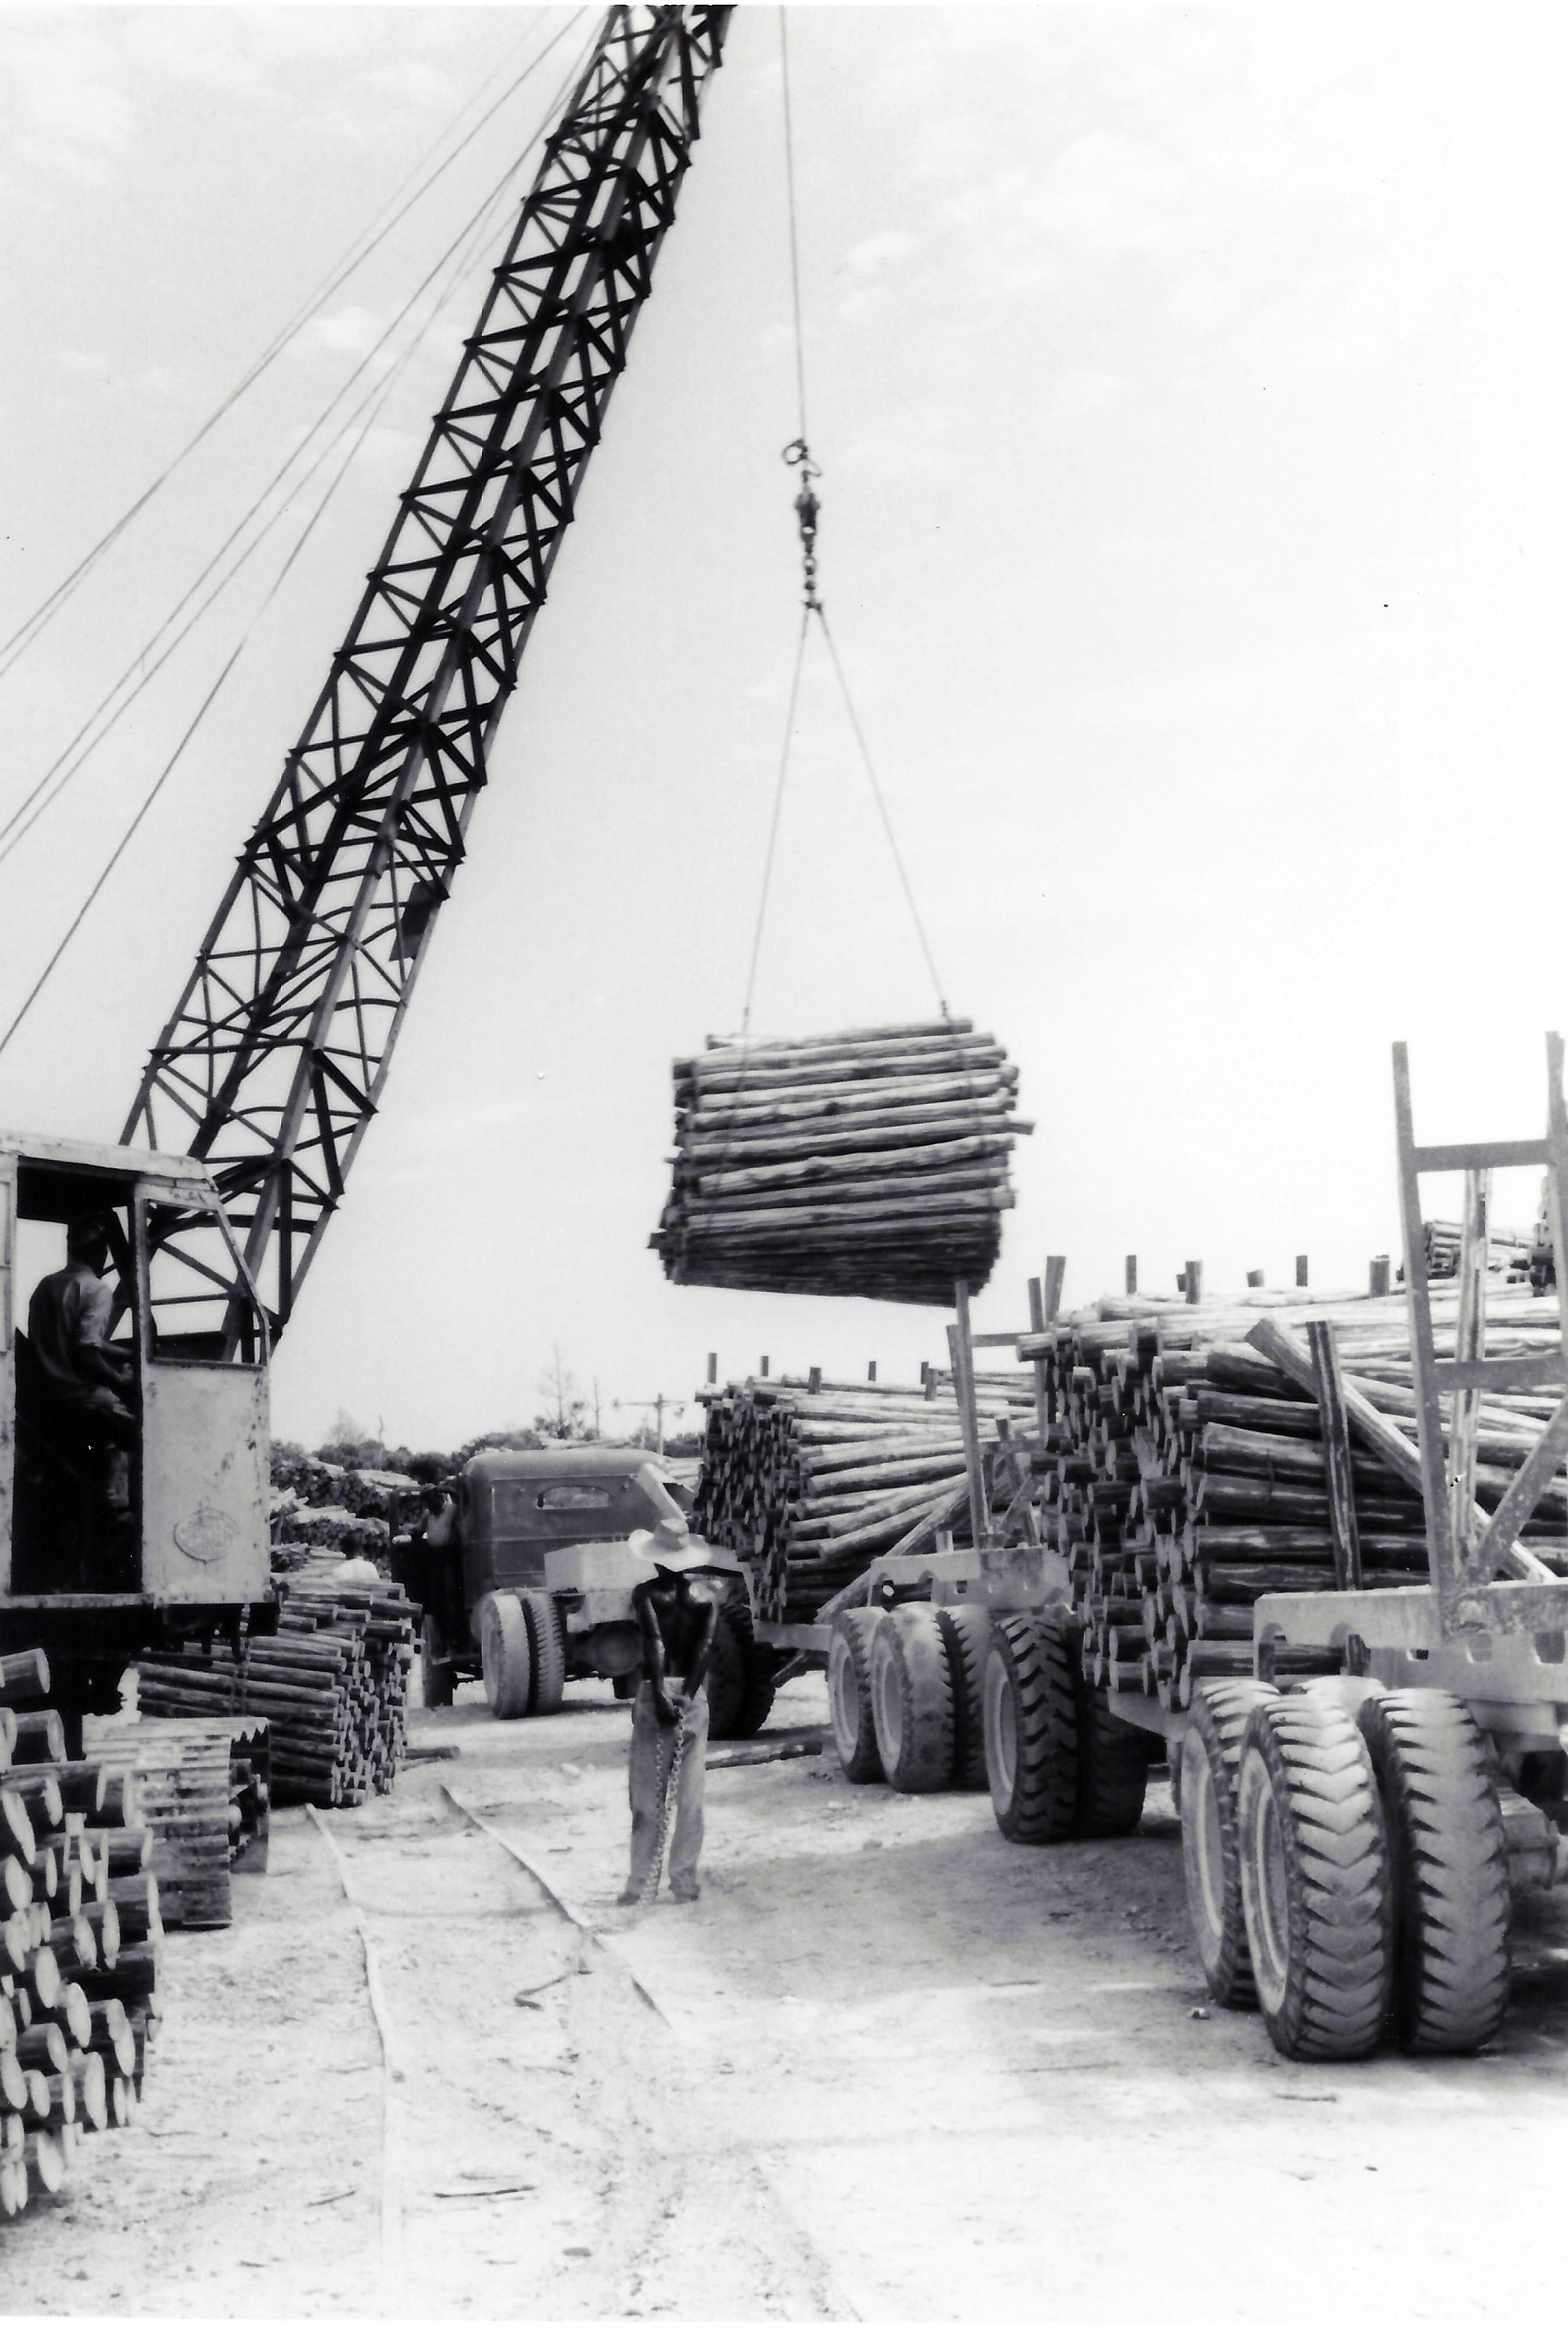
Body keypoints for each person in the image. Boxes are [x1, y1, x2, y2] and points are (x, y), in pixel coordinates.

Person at [619, 1520, 718, 1906]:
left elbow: (654, 1642)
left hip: (655, 1690)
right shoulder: (707, 1596)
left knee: (648, 1798)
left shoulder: (646, 1594)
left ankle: (640, 1883)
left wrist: (661, 1693)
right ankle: (684, 1882)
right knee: (690, 1797)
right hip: (693, 1695)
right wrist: (689, 1695)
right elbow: (706, 1648)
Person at [27, 1215, 136, 1519]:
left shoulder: (47, 1286)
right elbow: (86, 1353)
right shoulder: (96, 1289)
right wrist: (121, 1381)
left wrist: (125, 1352)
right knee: (140, 1428)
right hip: (81, 1396)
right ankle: (118, 1509)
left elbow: (78, 1338)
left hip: (46, 1395)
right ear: (102, 1253)